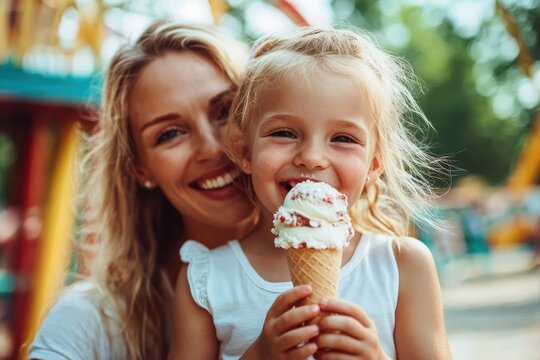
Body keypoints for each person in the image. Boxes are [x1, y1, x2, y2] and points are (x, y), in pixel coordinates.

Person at [170, 27, 452, 359]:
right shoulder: (208, 280)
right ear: (244, 151)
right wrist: (258, 355)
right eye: (285, 132)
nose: (312, 157)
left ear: (374, 165)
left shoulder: (401, 265)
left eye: (343, 138)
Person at [29, 20, 258, 359]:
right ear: (140, 167)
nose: (212, 148)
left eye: (225, 110)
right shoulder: (90, 322)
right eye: (170, 134)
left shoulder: (361, 270)